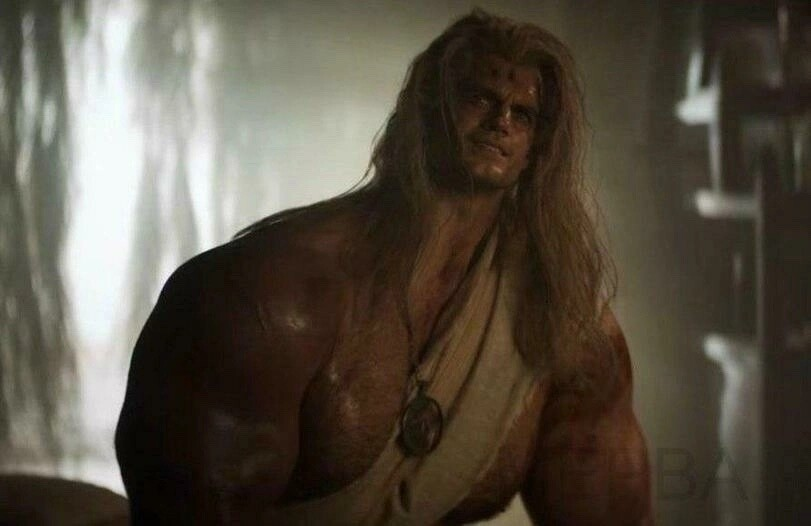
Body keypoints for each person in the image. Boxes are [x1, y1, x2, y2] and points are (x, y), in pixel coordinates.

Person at [116, 9, 652, 525]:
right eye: (479, 98)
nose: (500, 123)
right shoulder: (267, 298)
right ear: (429, 108)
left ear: (540, 146)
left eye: (523, 113)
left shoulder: (564, 325)